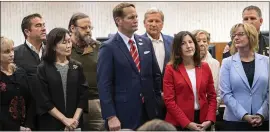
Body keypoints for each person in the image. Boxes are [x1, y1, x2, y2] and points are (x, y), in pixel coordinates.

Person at [97, 2, 162, 131]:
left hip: (149, 111)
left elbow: (156, 75)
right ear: (118, 20)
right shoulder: (108, 47)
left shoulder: (146, 42)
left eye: (136, 17)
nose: (136, 20)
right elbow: (104, 85)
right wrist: (110, 116)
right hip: (123, 113)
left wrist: (157, 102)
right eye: (131, 17)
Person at [35, 28, 88, 130]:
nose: (68, 46)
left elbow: (83, 95)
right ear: (54, 46)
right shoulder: (43, 68)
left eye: (69, 42)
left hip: (75, 123)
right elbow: (44, 100)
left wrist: (74, 120)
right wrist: (64, 120)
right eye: (64, 43)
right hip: (52, 122)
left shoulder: (77, 66)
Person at [163, 31, 217, 131]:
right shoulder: (170, 69)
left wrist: (210, 119)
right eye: (183, 43)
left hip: (203, 121)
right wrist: (187, 123)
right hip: (179, 123)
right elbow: (169, 101)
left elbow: (212, 96)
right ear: (177, 48)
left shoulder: (204, 66)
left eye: (190, 42)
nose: (188, 46)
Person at [219, 23, 269, 131]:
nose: (236, 38)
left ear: (251, 36)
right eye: (234, 35)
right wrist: (244, 115)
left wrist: (261, 114)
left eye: (240, 34)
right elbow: (225, 93)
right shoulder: (227, 63)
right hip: (235, 122)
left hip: (263, 120)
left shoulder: (266, 61)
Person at [68, 12, 105, 131]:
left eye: (90, 27)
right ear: (72, 28)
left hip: (95, 102)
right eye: (84, 27)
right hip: (71, 102)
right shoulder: (64, 48)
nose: (88, 30)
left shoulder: (98, 47)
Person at [14, 13, 47, 129]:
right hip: (27, 116)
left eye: (43, 25)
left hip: (51, 113)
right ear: (27, 32)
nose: (43, 28)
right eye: (38, 25)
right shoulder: (15, 54)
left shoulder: (53, 52)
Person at [141, 7, 173, 120]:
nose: (154, 24)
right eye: (150, 21)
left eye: (157, 21)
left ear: (162, 24)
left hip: (171, 99)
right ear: (144, 23)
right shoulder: (137, 43)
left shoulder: (172, 42)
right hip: (147, 100)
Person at [0, 36, 33, 131]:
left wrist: (28, 125)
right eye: (6, 52)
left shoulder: (20, 72)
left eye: (12, 50)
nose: (11, 54)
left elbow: (30, 99)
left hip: (26, 126)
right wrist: (17, 128)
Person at [192, 30, 221, 114]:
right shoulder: (185, 64)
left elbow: (218, 92)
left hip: (209, 111)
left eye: (204, 41)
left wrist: (211, 111)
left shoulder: (215, 64)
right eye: (198, 41)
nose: (202, 44)